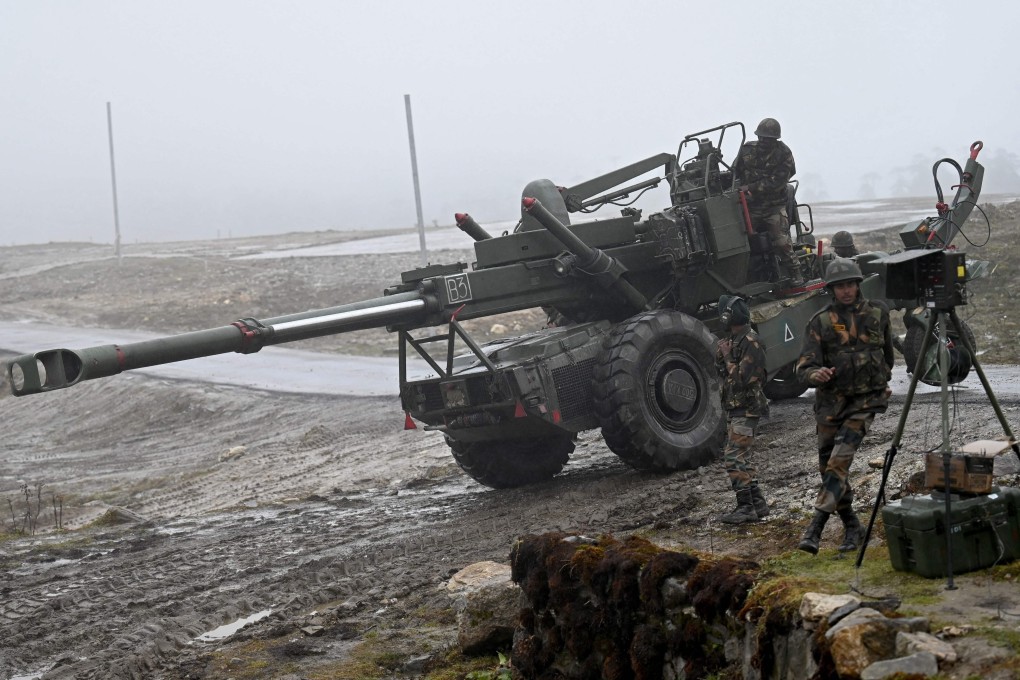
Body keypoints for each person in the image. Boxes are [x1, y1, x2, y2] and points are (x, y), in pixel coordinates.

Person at [795, 258, 895, 554]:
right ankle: (853, 526)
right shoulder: (820, 322)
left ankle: (815, 527)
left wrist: (881, 381)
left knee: (839, 461)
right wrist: (816, 374)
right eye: (840, 286)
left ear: (858, 284)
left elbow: (887, 357)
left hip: (865, 403)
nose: (847, 290)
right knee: (829, 468)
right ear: (832, 290)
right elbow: (803, 368)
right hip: (830, 405)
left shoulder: (878, 313)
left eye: (850, 284)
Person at [715, 295, 770, 524]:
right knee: (742, 458)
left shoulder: (751, 341)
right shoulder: (735, 339)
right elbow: (721, 370)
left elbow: (740, 378)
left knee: (733, 457)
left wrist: (727, 357)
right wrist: (723, 355)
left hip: (746, 408)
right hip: (736, 408)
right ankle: (757, 502)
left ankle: (745, 508)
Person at [733, 117, 801, 285]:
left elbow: (778, 182)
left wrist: (751, 188)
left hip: (773, 206)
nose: (763, 141)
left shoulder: (784, 154)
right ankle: (745, 278)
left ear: (775, 140)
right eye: (761, 137)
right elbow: (735, 173)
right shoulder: (746, 150)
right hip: (751, 207)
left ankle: (795, 273)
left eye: (768, 139)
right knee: (737, 241)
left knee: (781, 241)